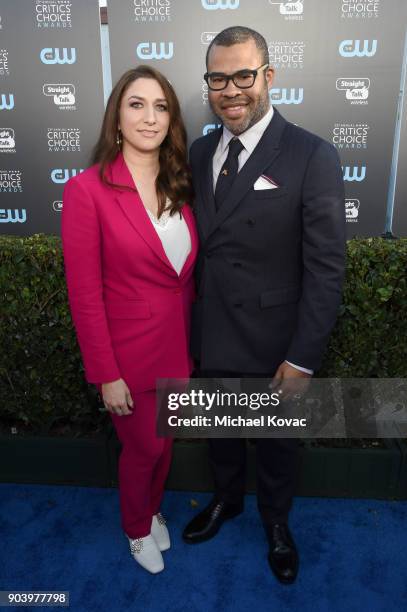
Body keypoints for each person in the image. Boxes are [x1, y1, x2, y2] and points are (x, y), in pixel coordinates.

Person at [182, 26, 346, 584]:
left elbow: (326, 269)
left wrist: (303, 359)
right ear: (208, 84)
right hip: (213, 334)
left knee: (277, 447)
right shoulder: (200, 151)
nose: (231, 90)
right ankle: (227, 501)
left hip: (276, 342)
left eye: (244, 76)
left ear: (268, 77)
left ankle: (277, 523)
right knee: (222, 437)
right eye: (218, 78)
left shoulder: (312, 155)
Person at [61, 65, 198, 574]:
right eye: (137, 104)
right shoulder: (87, 190)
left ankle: (153, 508)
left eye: (161, 106)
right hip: (128, 356)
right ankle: (136, 528)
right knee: (142, 448)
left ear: (171, 119)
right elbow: (84, 294)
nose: (150, 117)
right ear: (117, 117)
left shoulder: (179, 183)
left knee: (163, 448)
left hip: (178, 348)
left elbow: (180, 276)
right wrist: (106, 373)